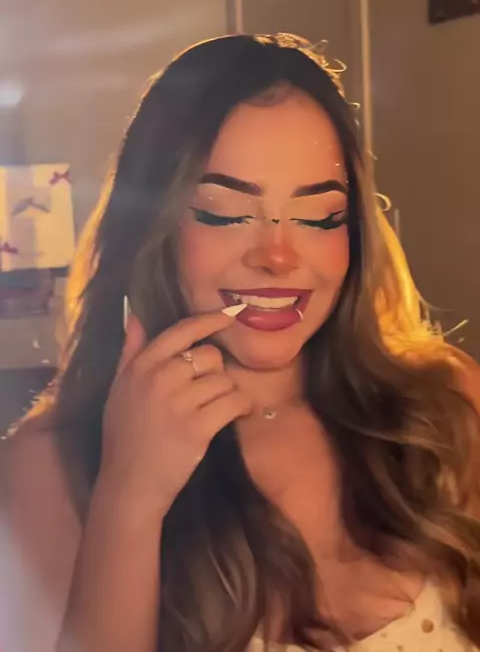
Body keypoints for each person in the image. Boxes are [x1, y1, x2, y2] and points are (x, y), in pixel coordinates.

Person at [2, 33, 480, 652]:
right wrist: (130, 496)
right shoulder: (47, 467)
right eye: (226, 213)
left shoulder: (446, 410)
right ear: (151, 225)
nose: (278, 256)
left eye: (319, 216)